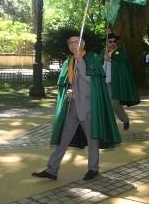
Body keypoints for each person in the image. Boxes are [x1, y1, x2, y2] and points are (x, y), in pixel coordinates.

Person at [32, 31, 121, 181]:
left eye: (76, 42)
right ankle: (51, 170)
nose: (73, 45)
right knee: (63, 140)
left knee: (92, 140)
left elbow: (92, 81)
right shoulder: (69, 61)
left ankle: (93, 169)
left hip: (89, 106)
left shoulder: (91, 58)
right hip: (72, 108)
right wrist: (69, 90)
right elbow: (68, 82)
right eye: (70, 43)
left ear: (83, 44)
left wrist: (81, 62)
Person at [101, 33, 140, 130]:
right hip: (101, 82)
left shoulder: (121, 52)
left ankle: (125, 120)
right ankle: (106, 125)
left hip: (114, 83)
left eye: (114, 41)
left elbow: (123, 63)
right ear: (106, 42)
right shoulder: (103, 52)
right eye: (110, 41)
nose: (113, 43)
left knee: (114, 103)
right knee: (102, 104)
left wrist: (110, 60)